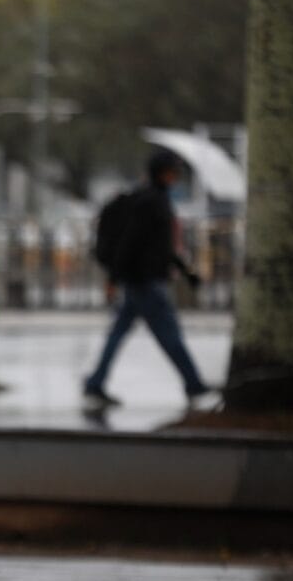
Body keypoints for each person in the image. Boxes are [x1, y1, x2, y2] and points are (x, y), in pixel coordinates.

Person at [83, 149, 213, 408]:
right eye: (172, 171)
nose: (176, 176)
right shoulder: (151, 203)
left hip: (140, 281)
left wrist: (186, 272)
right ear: (163, 173)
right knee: (169, 335)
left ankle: (95, 383)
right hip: (145, 282)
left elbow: (162, 247)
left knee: (118, 333)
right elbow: (130, 244)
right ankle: (193, 383)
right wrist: (113, 278)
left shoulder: (154, 200)